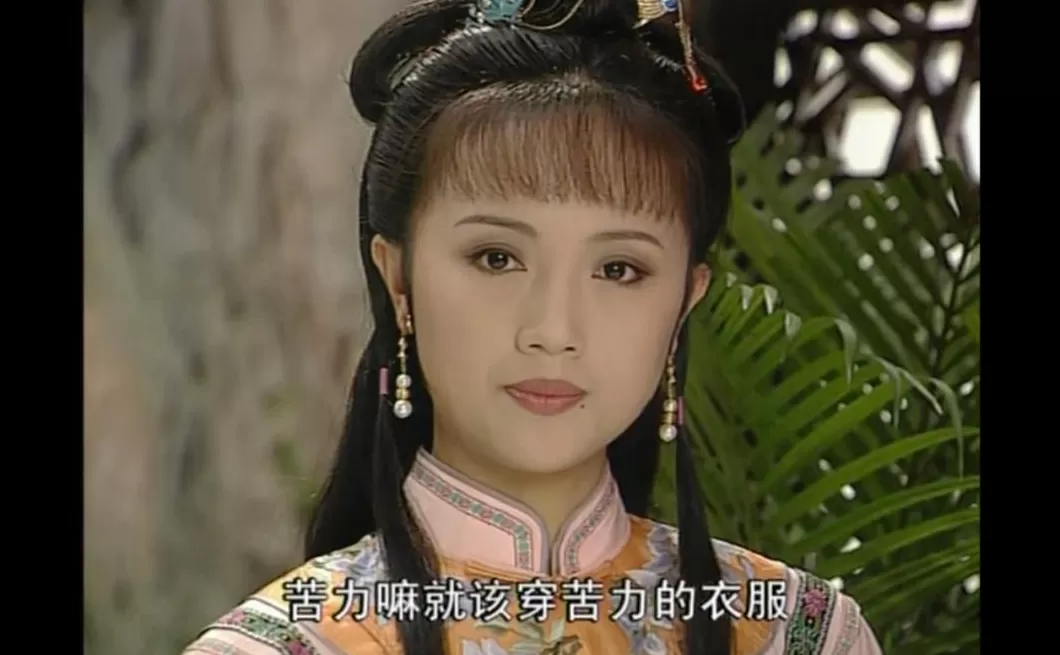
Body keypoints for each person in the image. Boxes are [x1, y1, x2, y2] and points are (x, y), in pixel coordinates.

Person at [182, 0, 884, 653]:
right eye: (497, 257)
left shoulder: (800, 633)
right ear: (398, 279)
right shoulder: (284, 644)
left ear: (685, 300)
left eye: (619, 269)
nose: (553, 330)